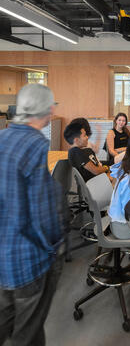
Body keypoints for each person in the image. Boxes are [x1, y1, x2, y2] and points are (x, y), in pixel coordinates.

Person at [0, 84, 65, 345]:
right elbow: (43, 214)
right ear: (48, 110)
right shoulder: (36, 144)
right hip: (28, 261)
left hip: (3, 259)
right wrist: (56, 247)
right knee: (28, 334)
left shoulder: (2, 138)